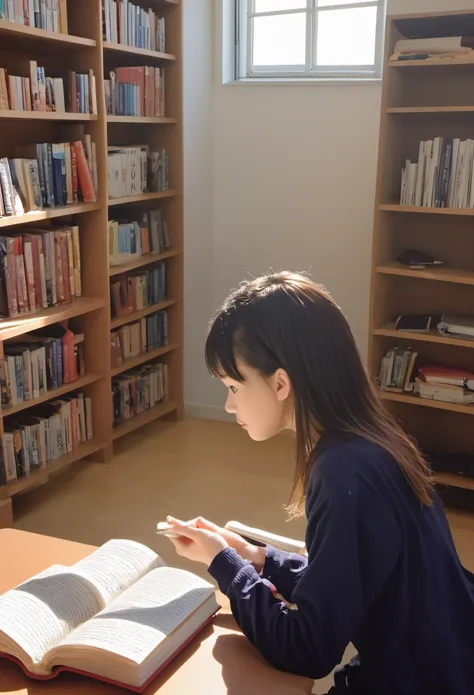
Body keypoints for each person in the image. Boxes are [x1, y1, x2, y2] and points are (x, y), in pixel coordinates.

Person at [165, 272, 474, 695]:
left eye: (234, 386)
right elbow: (348, 576)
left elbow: (306, 647)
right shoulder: (371, 441)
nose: (229, 403)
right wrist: (257, 557)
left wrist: (225, 565)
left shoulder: (342, 473)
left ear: (280, 382)